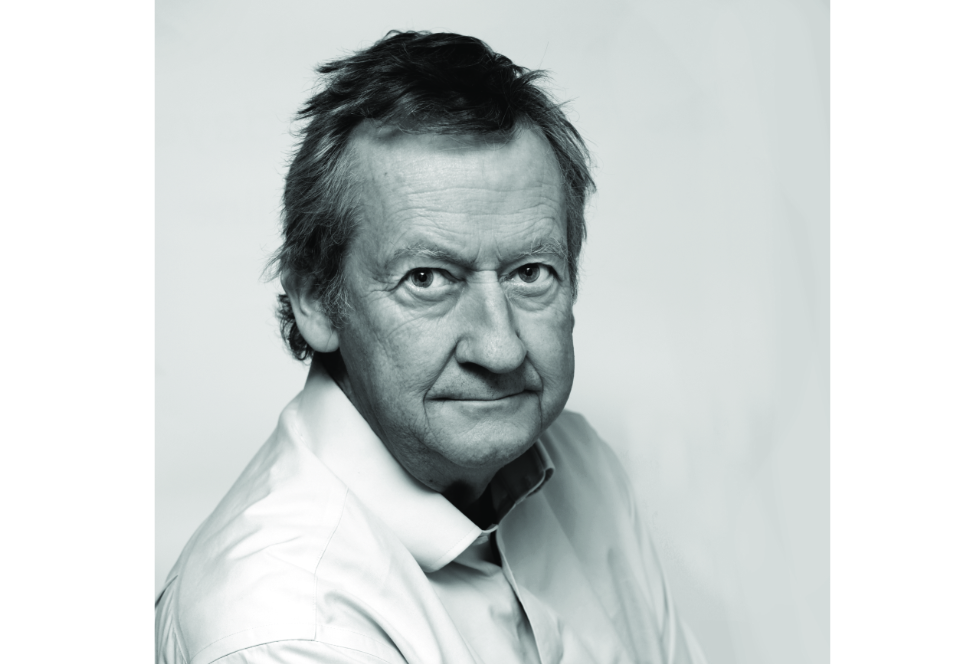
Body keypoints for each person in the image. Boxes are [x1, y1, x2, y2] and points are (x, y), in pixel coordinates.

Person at [156, 30, 707, 664]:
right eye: (427, 279)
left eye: (531, 273)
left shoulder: (584, 466)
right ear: (315, 300)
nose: (500, 349)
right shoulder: (284, 625)